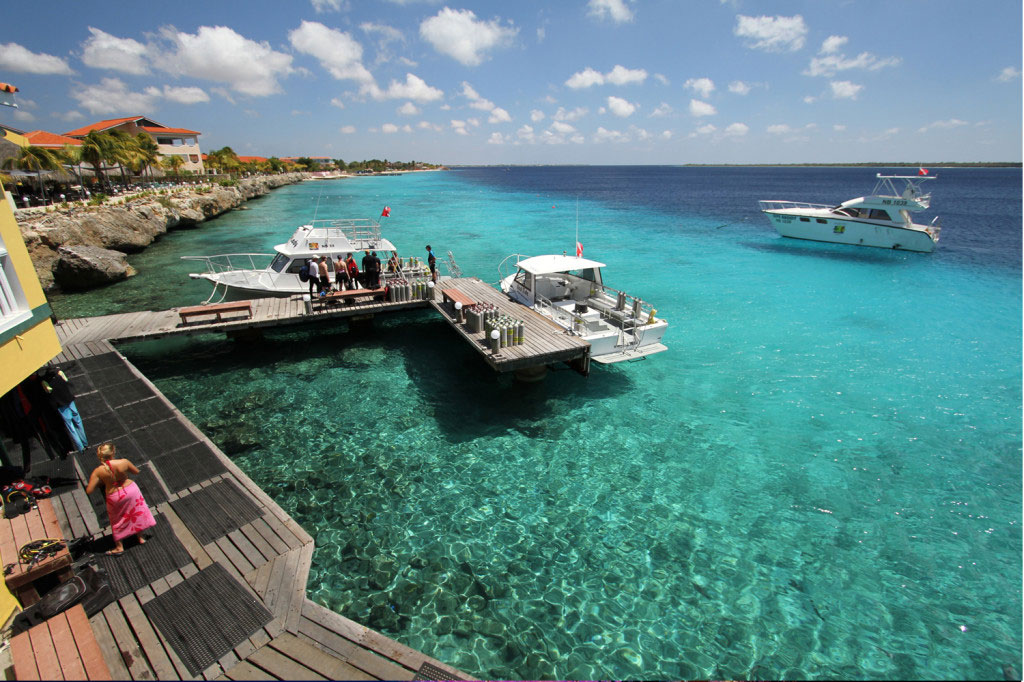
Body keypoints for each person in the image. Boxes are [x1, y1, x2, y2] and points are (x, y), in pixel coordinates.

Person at [86, 442, 156, 556]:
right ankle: (141, 537)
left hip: (114, 496)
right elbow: (136, 471)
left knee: (117, 519)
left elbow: (89, 490)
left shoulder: (98, 471)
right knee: (136, 513)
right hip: (131, 491)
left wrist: (102, 481)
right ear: (113, 453)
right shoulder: (124, 462)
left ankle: (119, 547)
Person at [39, 366, 88, 452]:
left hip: (61, 405)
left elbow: (48, 391)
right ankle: (85, 443)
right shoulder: (60, 374)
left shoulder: (45, 381)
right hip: (69, 400)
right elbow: (66, 381)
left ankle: (80, 448)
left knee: (71, 427)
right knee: (78, 421)